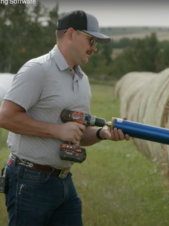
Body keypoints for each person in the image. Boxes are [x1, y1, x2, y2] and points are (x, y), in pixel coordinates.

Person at [0, 10, 130, 226]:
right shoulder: (37, 70)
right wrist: (56, 130)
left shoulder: (82, 80)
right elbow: (5, 117)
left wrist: (102, 133)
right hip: (28, 180)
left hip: (64, 181)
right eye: (91, 40)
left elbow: (77, 132)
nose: (95, 47)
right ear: (71, 33)